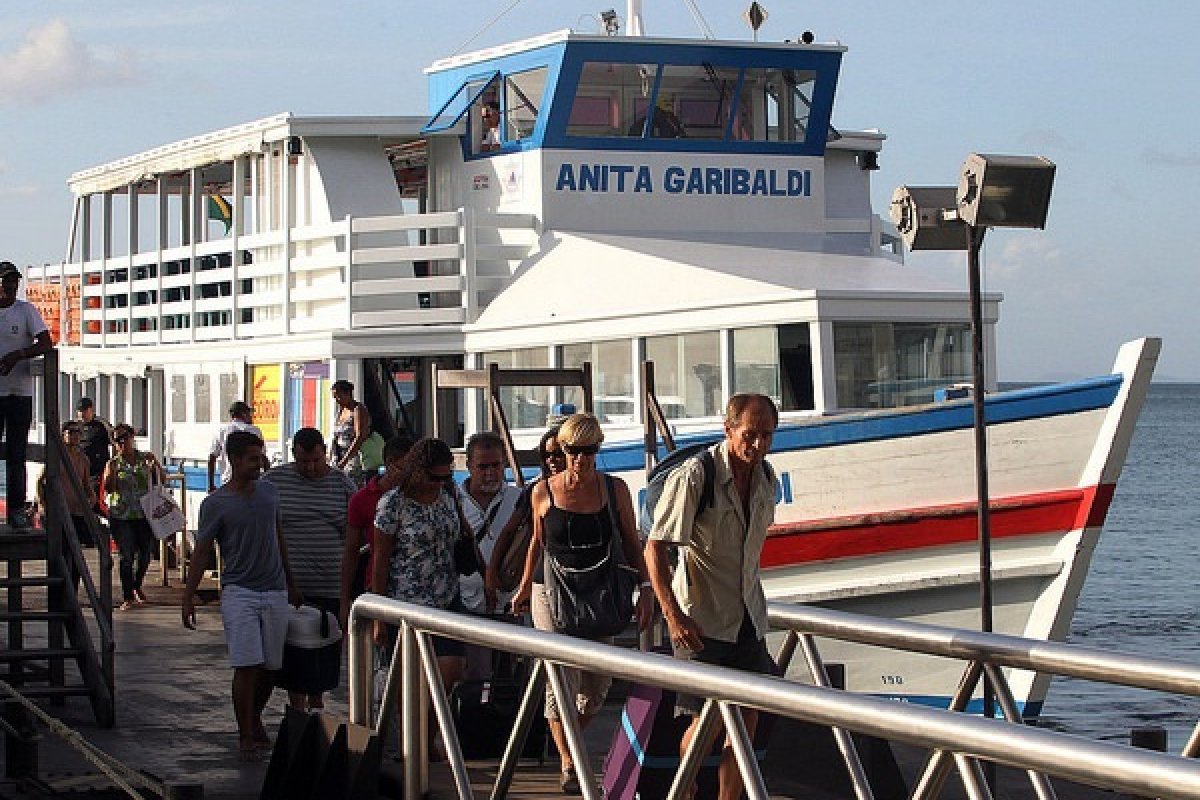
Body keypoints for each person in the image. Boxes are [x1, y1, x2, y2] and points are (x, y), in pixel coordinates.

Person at [645, 393, 779, 800]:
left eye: (766, 435)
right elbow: (655, 548)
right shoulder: (695, 477)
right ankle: (684, 791)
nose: (757, 444)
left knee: (747, 722)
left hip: (748, 618)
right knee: (708, 723)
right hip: (701, 619)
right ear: (728, 430)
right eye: (749, 435)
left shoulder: (766, 478)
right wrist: (673, 617)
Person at [512, 413, 654, 794]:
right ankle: (569, 760)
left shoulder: (614, 489)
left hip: (597, 588)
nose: (581, 459)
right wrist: (524, 586)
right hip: (551, 588)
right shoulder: (543, 491)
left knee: (597, 684)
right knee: (562, 676)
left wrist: (646, 587)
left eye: (589, 451)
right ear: (562, 450)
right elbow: (537, 542)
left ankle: (568, 739)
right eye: (574, 451)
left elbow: (632, 541)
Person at [183, 430, 301, 762]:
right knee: (247, 664)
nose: (258, 464)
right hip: (239, 591)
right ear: (234, 460)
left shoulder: (270, 493)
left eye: (260, 457)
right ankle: (245, 733)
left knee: (271, 667)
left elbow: (279, 537)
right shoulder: (215, 504)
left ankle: (254, 717)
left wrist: (291, 581)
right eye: (251, 459)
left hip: (274, 588)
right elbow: (202, 551)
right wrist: (188, 595)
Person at [262, 427, 356, 711]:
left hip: (330, 585)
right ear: (294, 455)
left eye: (316, 460)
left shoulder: (342, 484)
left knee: (325, 652)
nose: (311, 468)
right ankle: (298, 710)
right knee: (295, 654)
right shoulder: (273, 482)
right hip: (290, 587)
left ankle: (317, 707)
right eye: (304, 462)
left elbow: (353, 537)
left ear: (325, 453)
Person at [372, 437, 469, 700]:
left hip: (446, 597)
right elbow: (380, 560)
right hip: (406, 603)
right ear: (417, 471)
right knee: (411, 687)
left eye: (445, 478)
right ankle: (413, 727)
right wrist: (379, 618)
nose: (439, 483)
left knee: (451, 671)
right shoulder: (393, 503)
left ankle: (433, 725)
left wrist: (487, 575)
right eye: (433, 478)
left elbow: (463, 537)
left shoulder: (449, 495)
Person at [457, 431, 521, 679]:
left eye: (496, 465)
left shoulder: (519, 499)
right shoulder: (453, 501)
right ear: (469, 466)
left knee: (511, 681)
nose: (490, 473)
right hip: (466, 606)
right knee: (475, 678)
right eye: (483, 467)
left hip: (510, 605)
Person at [339, 433, 414, 635]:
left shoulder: (422, 494)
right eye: (407, 468)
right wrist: (344, 600)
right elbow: (351, 552)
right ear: (390, 463)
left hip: (420, 591)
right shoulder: (362, 499)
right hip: (381, 588)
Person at [0, 260, 54, 529]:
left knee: (17, 454)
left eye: (14, 281)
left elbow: (46, 342)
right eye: (5, 281)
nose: (10, 286)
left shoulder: (25, 311)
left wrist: (18, 355)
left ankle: (16, 510)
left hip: (20, 393)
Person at [484, 425, 564, 602]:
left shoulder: (595, 488)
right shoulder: (535, 490)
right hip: (540, 575)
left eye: (558, 454)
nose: (551, 460)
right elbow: (509, 531)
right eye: (546, 455)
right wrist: (492, 572)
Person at [102, 423, 166, 611]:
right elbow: (108, 488)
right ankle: (128, 595)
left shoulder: (144, 458)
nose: (122, 443)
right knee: (126, 555)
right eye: (118, 440)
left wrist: (155, 465)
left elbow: (161, 480)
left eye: (125, 438)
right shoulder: (113, 463)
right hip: (121, 514)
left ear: (132, 437)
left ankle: (137, 584)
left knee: (145, 554)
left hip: (143, 513)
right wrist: (112, 473)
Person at [208, 400, 265, 493]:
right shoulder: (255, 430)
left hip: (229, 481)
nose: (251, 416)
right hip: (251, 481)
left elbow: (212, 458)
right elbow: (262, 457)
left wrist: (211, 484)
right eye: (249, 413)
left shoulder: (222, 431)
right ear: (243, 414)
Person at [330, 379, 370, 475]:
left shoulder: (358, 410)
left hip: (353, 458)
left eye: (338, 397)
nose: (337, 400)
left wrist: (345, 460)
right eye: (335, 397)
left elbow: (360, 436)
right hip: (338, 455)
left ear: (348, 394)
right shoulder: (341, 410)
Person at [76, 397, 113, 490]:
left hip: (98, 471)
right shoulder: (75, 427)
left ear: (91, 410)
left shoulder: (101, 425)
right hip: (81, 470)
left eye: (85, 410)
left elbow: (114, 443)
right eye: (80, 411)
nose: (82, 414)